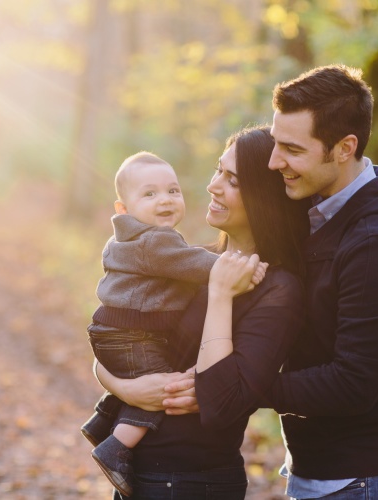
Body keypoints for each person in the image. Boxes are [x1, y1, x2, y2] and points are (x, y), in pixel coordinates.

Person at [170, 64, 378, 499]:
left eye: (292, 150)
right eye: (276, 144)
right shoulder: (322, 210)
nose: (276, 162)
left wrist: (238, 386)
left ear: (344, 148)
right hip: (325, 474)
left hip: (365, 480)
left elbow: (352, 383)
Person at [94, 125, 312, 499]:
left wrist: (223, 293)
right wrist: (124, 387)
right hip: (138, 473)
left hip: (193, 480)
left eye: (232, 179)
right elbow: (120, 339)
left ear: (264, 195)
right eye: (217, 171)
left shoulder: (277, 289)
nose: (213, 186)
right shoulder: (192, 262)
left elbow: (221, 396)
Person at [81, 151, 266, 496]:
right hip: (129, 334)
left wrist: (122, 388)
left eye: (172, 191)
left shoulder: (140, 242)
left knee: (148, 379)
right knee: (159, 384)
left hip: (119, 333)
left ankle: (103, 419)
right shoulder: (155, 242)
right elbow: (193, 262)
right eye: (149, 194)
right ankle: (115, 447)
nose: (164, 200)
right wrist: (235, 268)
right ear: (123, 209)